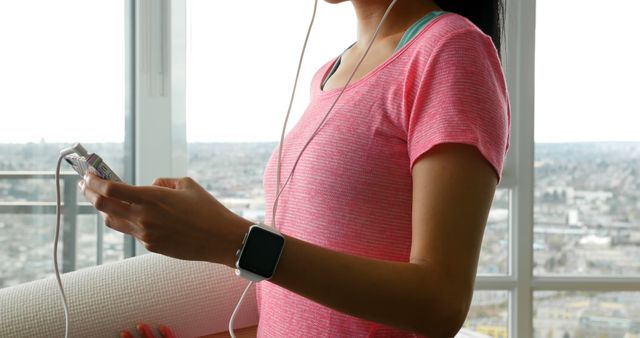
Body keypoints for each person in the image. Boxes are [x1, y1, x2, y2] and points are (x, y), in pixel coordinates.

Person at [80, 0, 509, 336]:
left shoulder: (450, 48)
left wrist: (230, 239)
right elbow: (307, 312)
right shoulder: (330, 71)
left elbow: (441, 304)